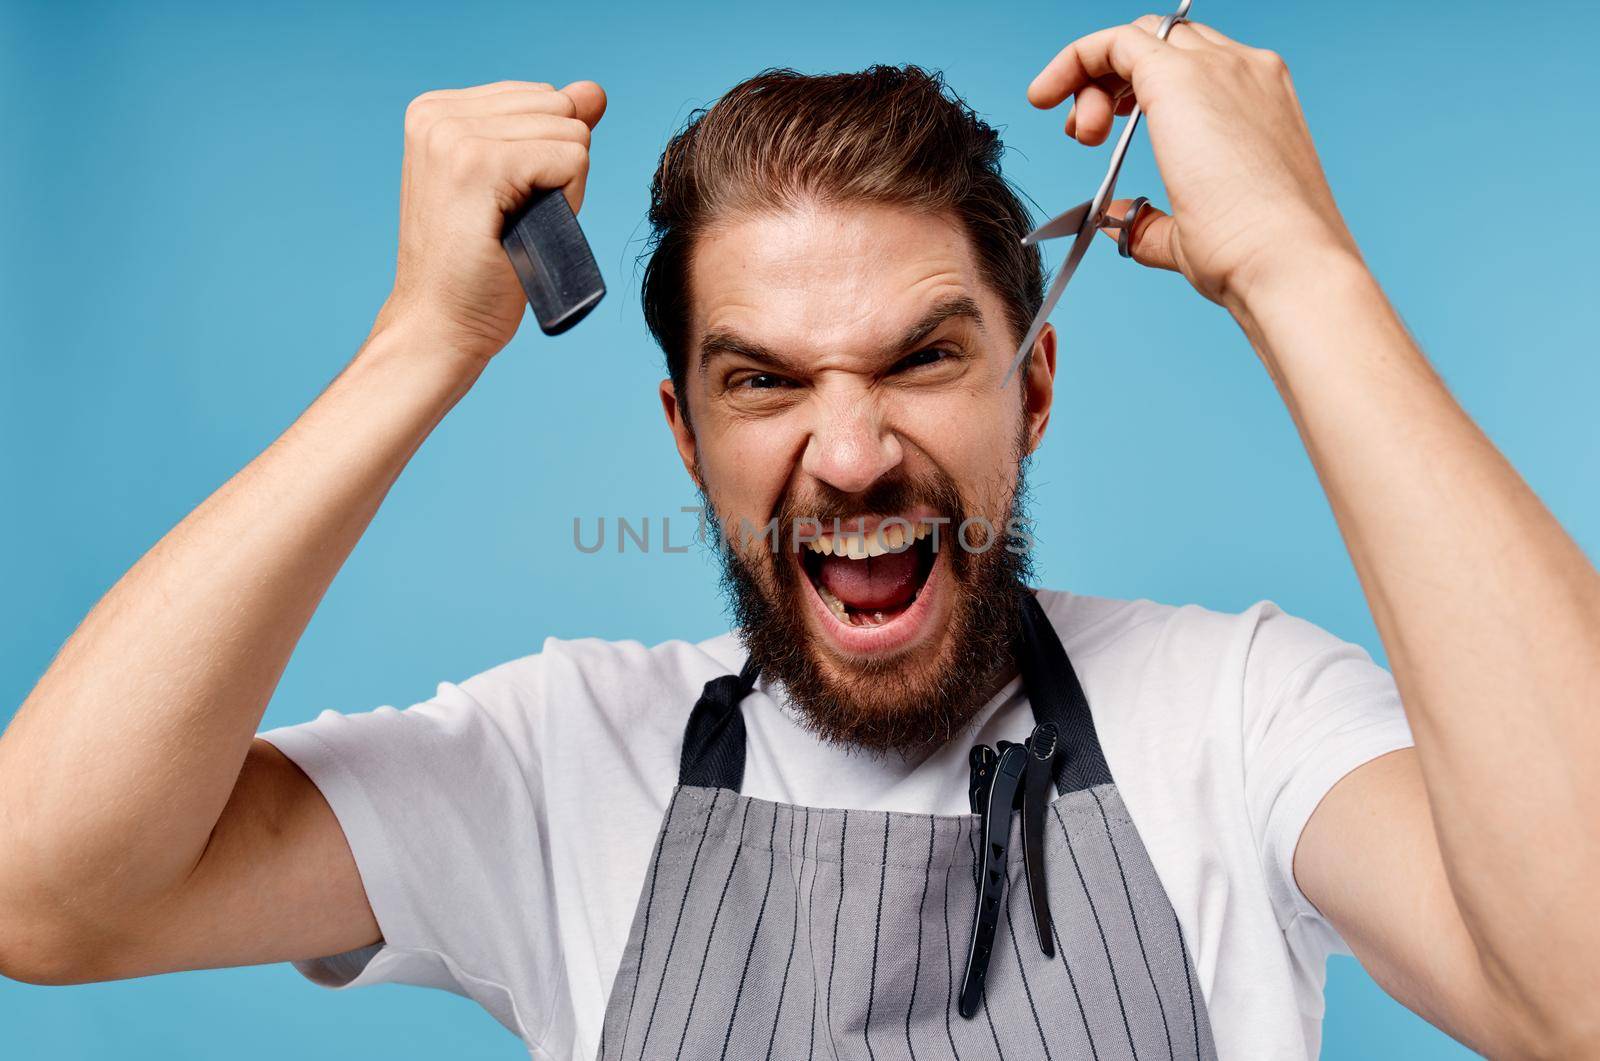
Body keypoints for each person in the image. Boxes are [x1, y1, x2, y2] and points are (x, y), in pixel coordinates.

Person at [2, 15, 1596, 1061]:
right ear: (686, 436)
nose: (849, 453)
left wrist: (1300, 271)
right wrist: (421, 341)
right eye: (764, 381)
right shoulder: (560, 764)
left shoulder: (1241, 716)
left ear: (1030, 388)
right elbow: (52, 896)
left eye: (922, 357)